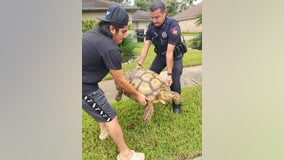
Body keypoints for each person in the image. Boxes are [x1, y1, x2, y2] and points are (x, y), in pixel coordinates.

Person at [82, 5, 146, 160]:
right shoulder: (110, 48)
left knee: (100, 97)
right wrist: (137, 94)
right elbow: (120, 80)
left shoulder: (92, 34)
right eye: (123, 31)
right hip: (82, 87)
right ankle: (126, 154)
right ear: (112, 29)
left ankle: (104, 132)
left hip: (85, 81)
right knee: (110, 116)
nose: (124, 36)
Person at [136, 0, 186, 114]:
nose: (154, 20)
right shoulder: (151, 27)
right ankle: (148, 100)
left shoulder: (173, 26)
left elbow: (170, 53)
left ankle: (176, 104)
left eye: (157, 17)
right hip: (160, 56)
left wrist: (169, 74)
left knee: (174, 81)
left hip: (174, 57)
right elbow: (146, 46)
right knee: (149, 77)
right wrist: (139, 64)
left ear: (165, 12)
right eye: (152, 17)